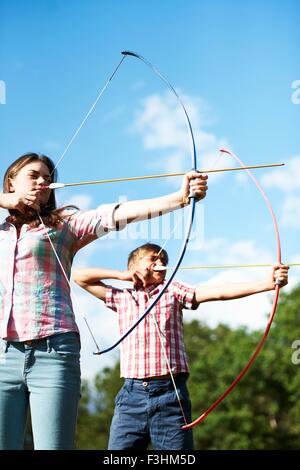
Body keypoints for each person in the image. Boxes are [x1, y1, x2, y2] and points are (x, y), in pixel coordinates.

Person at [0, 152, 208, 450]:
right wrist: (5, 201)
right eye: (33, 175)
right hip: (3, 355)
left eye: (47, 178)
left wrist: (178, 197)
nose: (43, 182)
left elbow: (116, 214)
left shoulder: (64, 225)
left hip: (54, 351)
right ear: (11, 181)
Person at [73, 243, 289, 450]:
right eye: (153, 257)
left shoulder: (173, 290)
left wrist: (268, 284)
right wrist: (122, 276)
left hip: (170, 395)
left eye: (164, 259)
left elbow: (218, 292)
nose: (160, 261)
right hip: (131, 397)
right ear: (133, 266)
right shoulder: (122, 297)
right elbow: (79, 276)